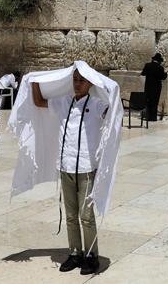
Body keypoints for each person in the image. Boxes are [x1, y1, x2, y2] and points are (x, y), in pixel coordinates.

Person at [31, 70, 110, 275]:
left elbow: (113, 111)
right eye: (75, 80)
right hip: (66, 166)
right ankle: (75, 253)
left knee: (86, 216)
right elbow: (39, 101)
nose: (77, 84)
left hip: (85, 168)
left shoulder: (97, 104)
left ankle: (92, 255)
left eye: (82, 80)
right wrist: (33, 79)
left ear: (90, 83)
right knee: (70, 215)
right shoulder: (63, 102)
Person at [140, 53, 168, 122]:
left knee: (148, 101)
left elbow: (143, 73)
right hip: (156, 88)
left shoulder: (147, 65)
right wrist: (166, 73)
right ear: (159, 61)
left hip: (148, 87)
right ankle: (153, 118)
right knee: (155, 102)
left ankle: (148, 117)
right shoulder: (160, 68)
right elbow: (163, 77)